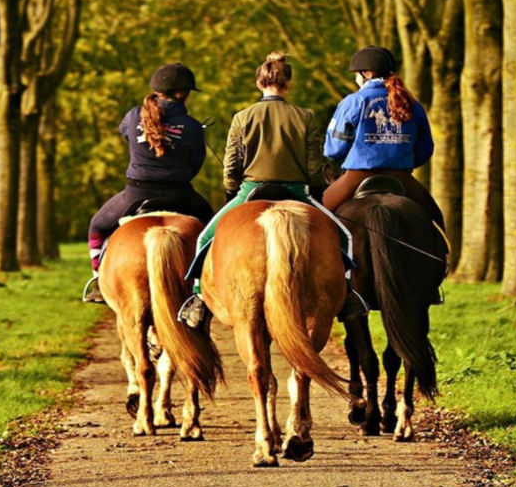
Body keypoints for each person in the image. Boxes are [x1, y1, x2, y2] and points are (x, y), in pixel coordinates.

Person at [179, 51, 367, 327]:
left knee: (204, 238)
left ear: (259, 84)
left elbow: (232, 162)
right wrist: (315, 191)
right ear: (288, 84)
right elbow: (314, 162)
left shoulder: (242, 116)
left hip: (251, 189)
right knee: (344, 237)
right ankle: (347, 294)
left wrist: (232, 191)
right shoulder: (305, 116)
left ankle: (197, 298)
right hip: (295, 190)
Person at [83, 63, 214, 303]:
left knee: (98, 226)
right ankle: (208, 285)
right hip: (181, 194)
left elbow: (126, 135)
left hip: (136, 193)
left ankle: (98, 281)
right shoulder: (193, 126)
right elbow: (196, 164)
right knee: (214, 230)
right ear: (180, 94)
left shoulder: (133, 116)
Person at [323, 45, 446, 232]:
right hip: (402, 176)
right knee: (437, 222)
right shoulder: (412, 104)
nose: (356, 78)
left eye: (357, 73)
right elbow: (425, 148)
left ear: (368, 74)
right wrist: (404, 160)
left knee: (317, 219)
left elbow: (335, 149)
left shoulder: (354, 101)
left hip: (357, 176)